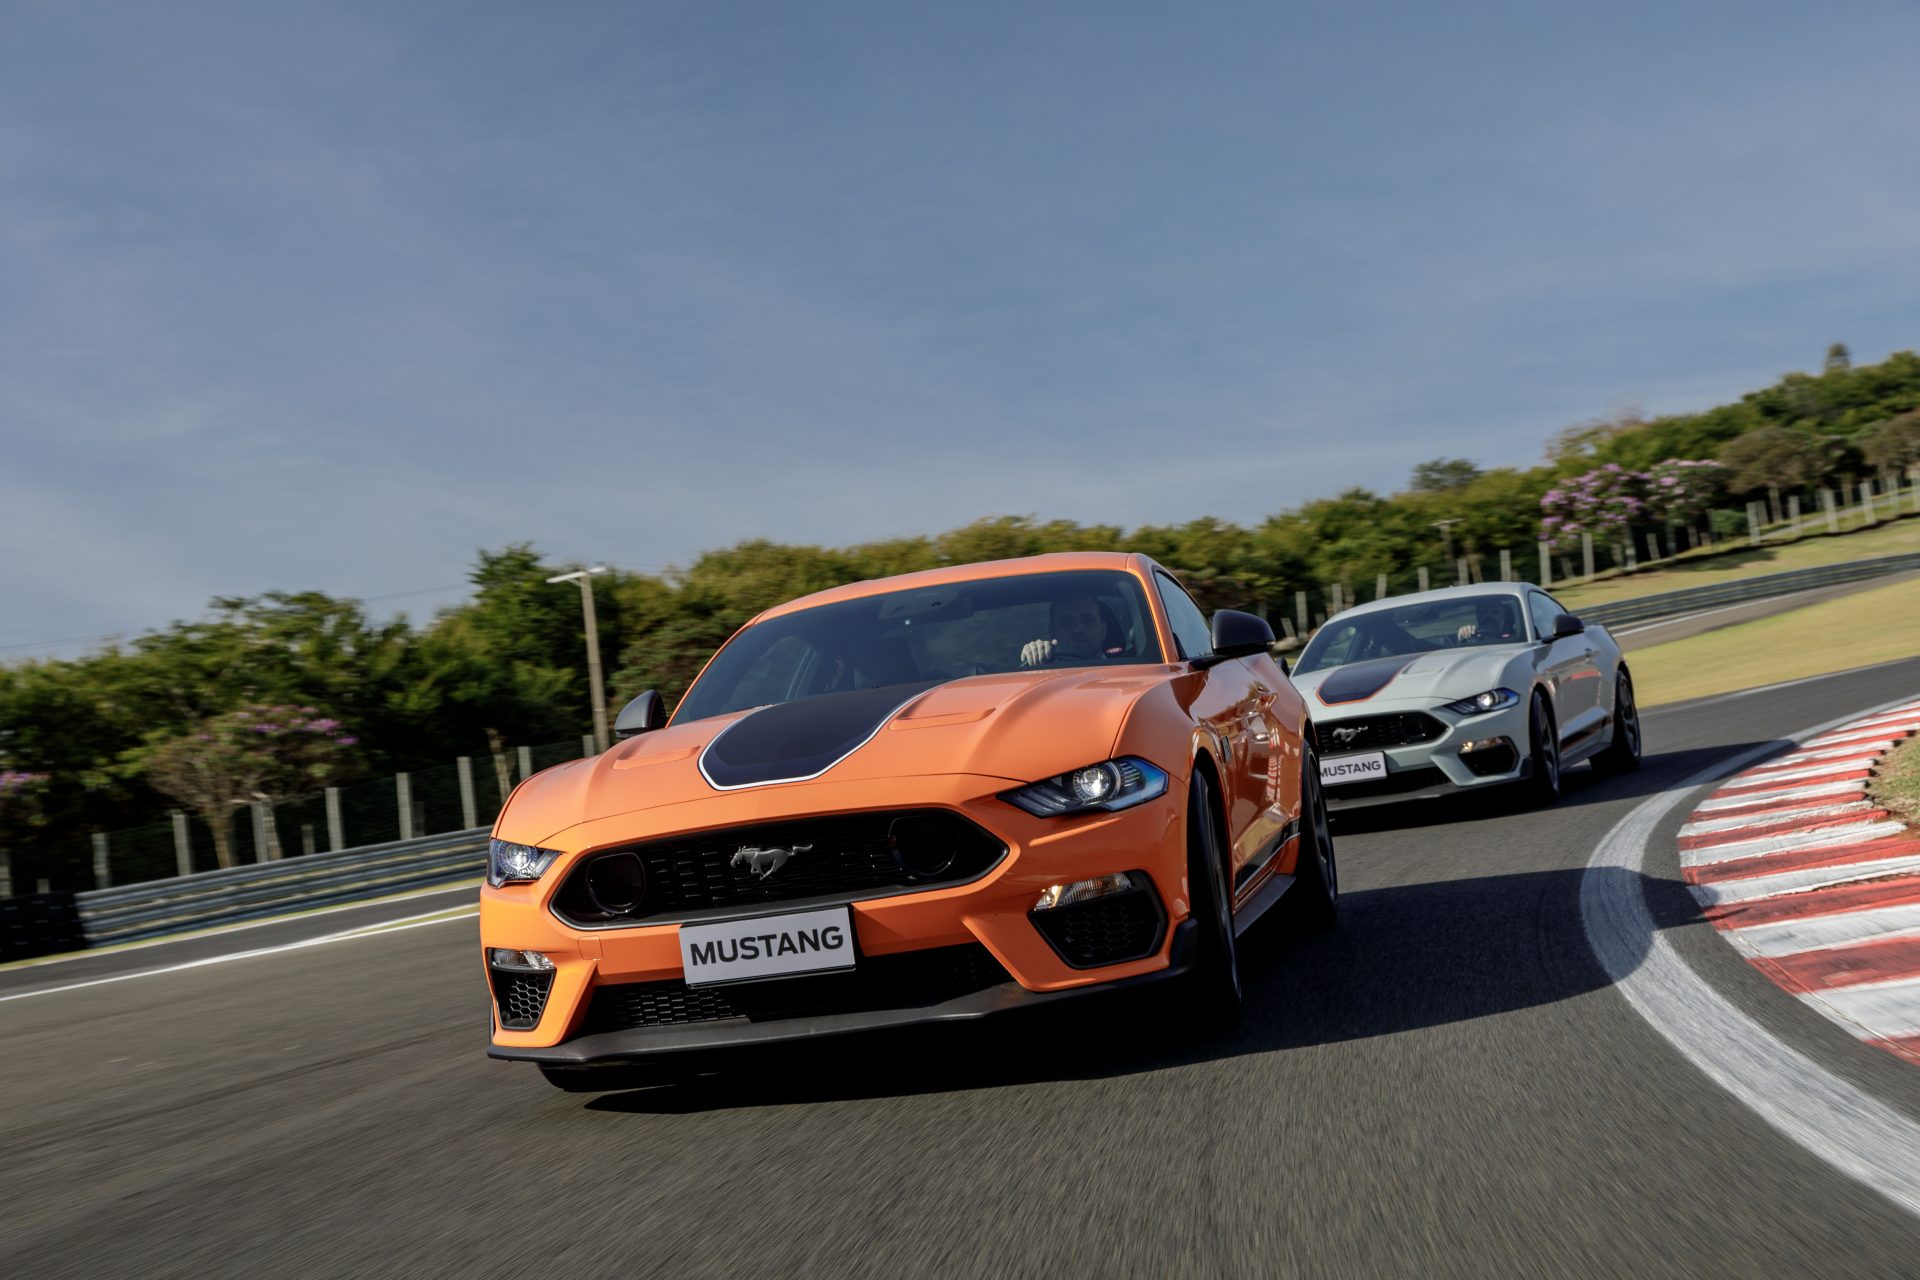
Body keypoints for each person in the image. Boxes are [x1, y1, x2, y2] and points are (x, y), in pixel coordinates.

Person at [1020, 594, 1123, 668]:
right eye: (1067, 622)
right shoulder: (1043, 672)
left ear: (1103, 630)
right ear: (1052, 633)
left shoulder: (1126, 674)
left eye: (1087, 620)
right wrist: (1034, 658)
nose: (1078, 629)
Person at [1455, 597, 1522, 645]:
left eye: (1494, 610)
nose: (1488, 615)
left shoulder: (1519, 635)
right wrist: (1462, 639)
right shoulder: (1470, 637)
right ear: (1477, 615)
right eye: (1482, 611)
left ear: (1503, 613)